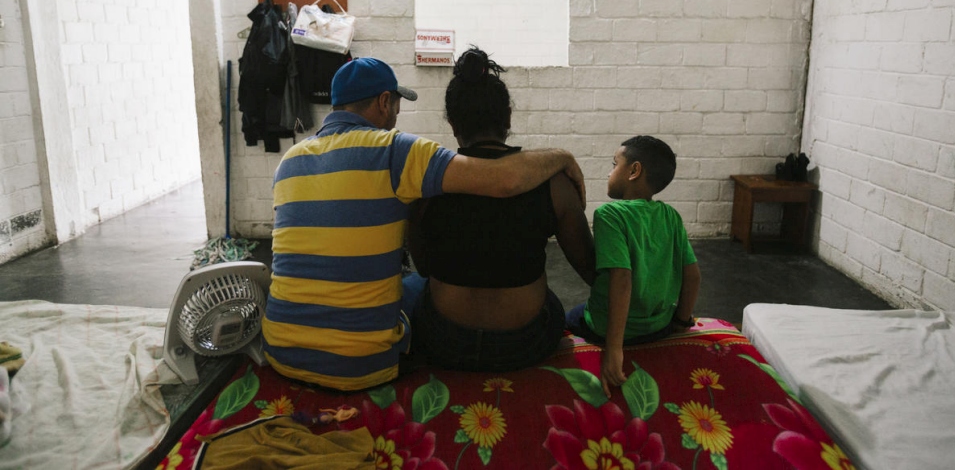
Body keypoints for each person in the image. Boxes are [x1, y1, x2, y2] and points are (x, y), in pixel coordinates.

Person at [261, 56, 586, 392]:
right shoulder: (396, 151)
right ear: (384, 102)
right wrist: (562, 156)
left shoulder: (289, 161)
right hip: (363, 365)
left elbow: (424, 263)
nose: (396, 115)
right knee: (419, 286)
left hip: (280, 350)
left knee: (417, 283)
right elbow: (502, 179)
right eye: (397, 104)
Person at [407, 48, 596, 372]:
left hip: (446, 342)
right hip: (524, 344)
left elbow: (424, 267)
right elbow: (590, 269)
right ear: (508, 117)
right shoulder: (554, 185)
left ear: (453, 123)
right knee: (552, 301)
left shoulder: (426, 186)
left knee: (413, 288)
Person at [565, 135, 701, 397]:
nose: (609, 171)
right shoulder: (671, 216)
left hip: (609, 329)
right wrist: (682, 322)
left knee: (569, 317)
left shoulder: (610, 215)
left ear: (634, 171)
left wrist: (614, 349)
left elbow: (621, 279)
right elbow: (693, 276)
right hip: (659, 327)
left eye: (614, 164)